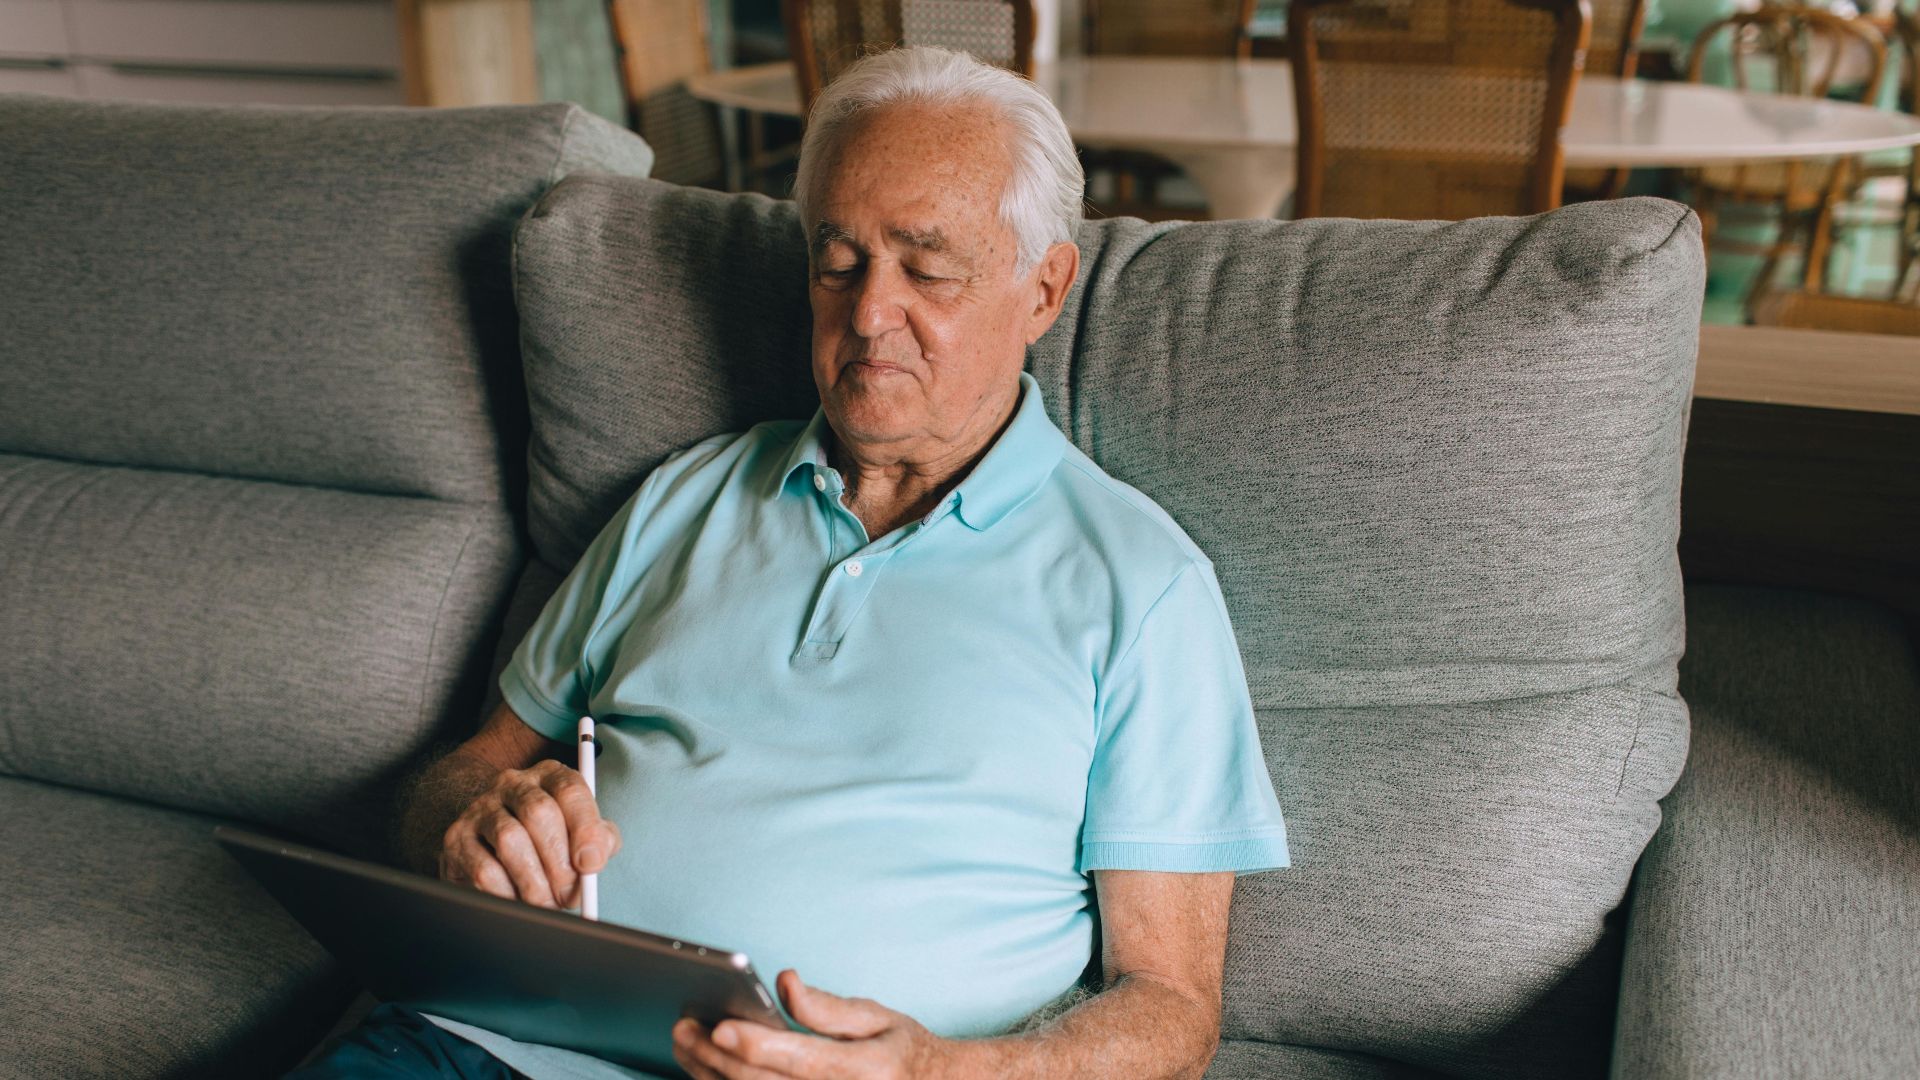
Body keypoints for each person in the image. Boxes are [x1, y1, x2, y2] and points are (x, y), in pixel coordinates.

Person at [293, 44, 1289, 1080]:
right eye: (838, 260)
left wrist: (942, 1072)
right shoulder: (687, 496)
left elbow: (1172, 1008)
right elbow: (469, 768)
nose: (867, 312)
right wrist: (467, 820)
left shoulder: (1141, 583)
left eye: (928, 266)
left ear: (1043, 289)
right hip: (483, 1048)